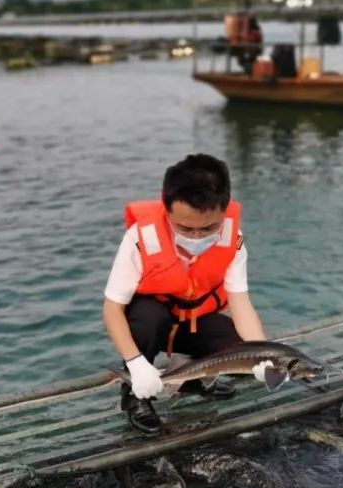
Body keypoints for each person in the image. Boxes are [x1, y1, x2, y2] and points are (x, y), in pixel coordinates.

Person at [102, 153, 267, 434]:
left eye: (208, 228)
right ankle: (135, 395)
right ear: (167, 211)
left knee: (242, 346)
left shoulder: (234, 240)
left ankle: (193, 379)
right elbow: (112, 308)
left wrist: (263, 353)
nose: (196, 236)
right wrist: (135, 363)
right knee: (147, 316)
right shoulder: (139, 241)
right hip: (153, 324)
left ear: (224, 211)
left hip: (194, 322)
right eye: (184, 228)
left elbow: (240, 302)